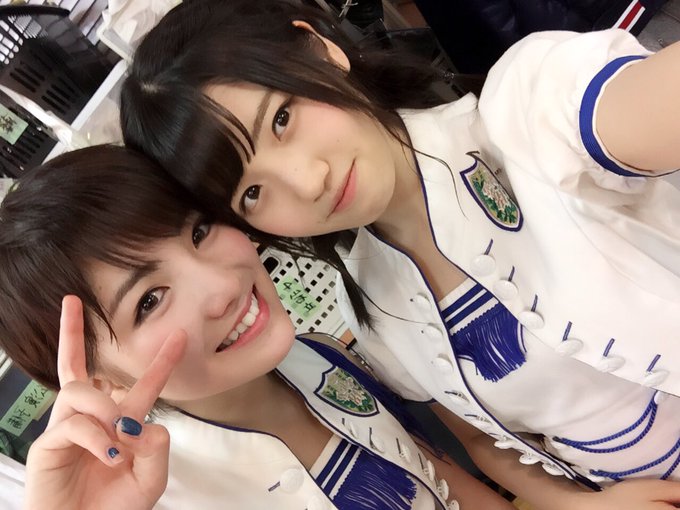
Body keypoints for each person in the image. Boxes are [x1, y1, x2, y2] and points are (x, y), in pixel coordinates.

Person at [118, 0, 680, 506]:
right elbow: (482, 443)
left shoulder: (525, 113)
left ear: (321, 49)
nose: (308, 182)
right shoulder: (370, 307)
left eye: (282, 119)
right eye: (252, 193)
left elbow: (634, 106)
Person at [0, 145, 514, 510]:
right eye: (149, 300)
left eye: (199, 231)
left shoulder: (321, 355)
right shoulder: (156, 497)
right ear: (98, 382)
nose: (224, 284)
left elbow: (445, 484)